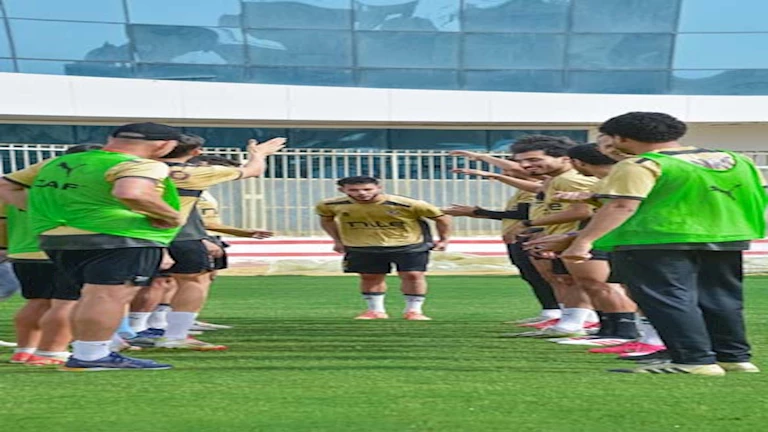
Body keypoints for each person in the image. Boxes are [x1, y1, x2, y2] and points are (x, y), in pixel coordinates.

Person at [562, 112, 766, 375]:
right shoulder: (737, 159)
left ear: (621, 138)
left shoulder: (641, 164)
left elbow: (622, 205)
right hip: (727, 235)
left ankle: (694, 360)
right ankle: (733, 357)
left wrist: (583, 241)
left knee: (668, 299)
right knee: (720, 297)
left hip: (657, 237)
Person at [9, 122, 184, 371]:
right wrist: (171, 217)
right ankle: (91, 355)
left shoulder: (55, 162)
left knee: (86, 296)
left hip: (56, 237)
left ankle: (85, 351)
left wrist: (42, 211)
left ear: (111, 138)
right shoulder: (141, 164)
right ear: (165, 145)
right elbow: (131, 192)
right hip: (120, 236)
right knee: (108, 295)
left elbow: (7, 185)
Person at [129, 133, 285, 350]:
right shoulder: (195, 173)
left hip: (129, 233)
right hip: (180, 235)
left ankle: (119, 335)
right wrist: (258, 154)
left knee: (118, 286)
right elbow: (253, 170)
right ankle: (175, 335)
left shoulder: (132, 169)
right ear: (195, 152)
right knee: (191, 281)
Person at [5, 144, 102, 366]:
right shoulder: (78, 187)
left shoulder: (22, 186)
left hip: (23, 250)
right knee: (66, 303)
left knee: (36, 302)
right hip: (61, 248)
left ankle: (24, 350)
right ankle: (52, 351)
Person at [442, 153, 559, 325]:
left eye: (507, 169)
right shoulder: (527, 188)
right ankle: (551, 311)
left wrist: (478, 212)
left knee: (547, 276)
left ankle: (562, 313)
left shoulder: (541, 186)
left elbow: (523, 213)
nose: (506, 171)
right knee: (531, 275)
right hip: (519, 236)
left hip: (531, 235)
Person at [316, 176, 452, 320]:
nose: (361, 193)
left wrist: (444, 239)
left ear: (379, 188)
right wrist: (337, 240)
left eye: (367, 189)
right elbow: (327, 219)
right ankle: (375, 311)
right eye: (354, 190)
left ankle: (414, 311)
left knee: (413, 275)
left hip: (409, 243)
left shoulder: (407, 204)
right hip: (362, 245)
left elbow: (442, 217)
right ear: (342, 190)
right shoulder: (329, 205)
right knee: (369, 276)